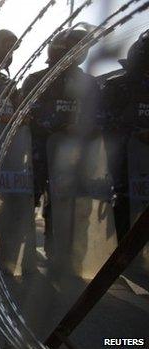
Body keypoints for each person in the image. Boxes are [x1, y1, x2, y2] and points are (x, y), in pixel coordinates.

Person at [21, 26, 102, 258]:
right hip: (37, 151)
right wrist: (59, 126)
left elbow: (98, 115)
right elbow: (28, 114)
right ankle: (23, 247)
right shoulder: (38, 80)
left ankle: (58, 250)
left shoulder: (88, 82)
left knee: (65, 200)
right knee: (30, 198)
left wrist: (87, 129)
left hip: (72, 154)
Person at [101, 30, 149, 240]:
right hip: (123, 161)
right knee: (124, 204)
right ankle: (122, 255)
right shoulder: (117, 85)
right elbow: (102, 119)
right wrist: (138, 133)